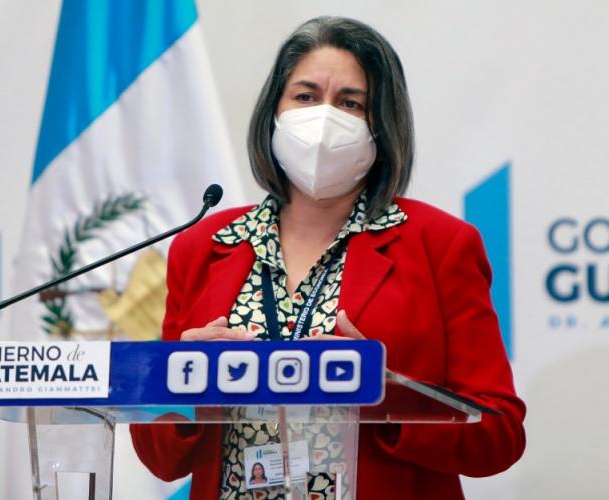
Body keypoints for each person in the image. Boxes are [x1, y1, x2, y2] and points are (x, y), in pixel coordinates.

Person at [130, 16, 525, 500]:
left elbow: (499, 434)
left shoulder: (441, 244)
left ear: (381, 123)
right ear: (273, 112)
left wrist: (385, 393)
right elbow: (159, 454)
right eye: (305, 96)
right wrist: (188, 384)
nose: (323, 117)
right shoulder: (206, 244)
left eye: (349, 103)